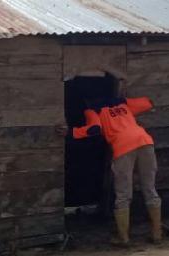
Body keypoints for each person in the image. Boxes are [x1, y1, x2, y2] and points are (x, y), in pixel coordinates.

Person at [66, 91, 161, 245]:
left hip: (123, 147)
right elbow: (148, 102)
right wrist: (124, 100)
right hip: (145, 141)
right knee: (150, 188)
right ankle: (157, 234)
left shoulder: (92, 110)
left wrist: (72, 132)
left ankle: (123, 238)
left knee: (123, 193)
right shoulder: (122, 104)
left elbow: (94, 130)